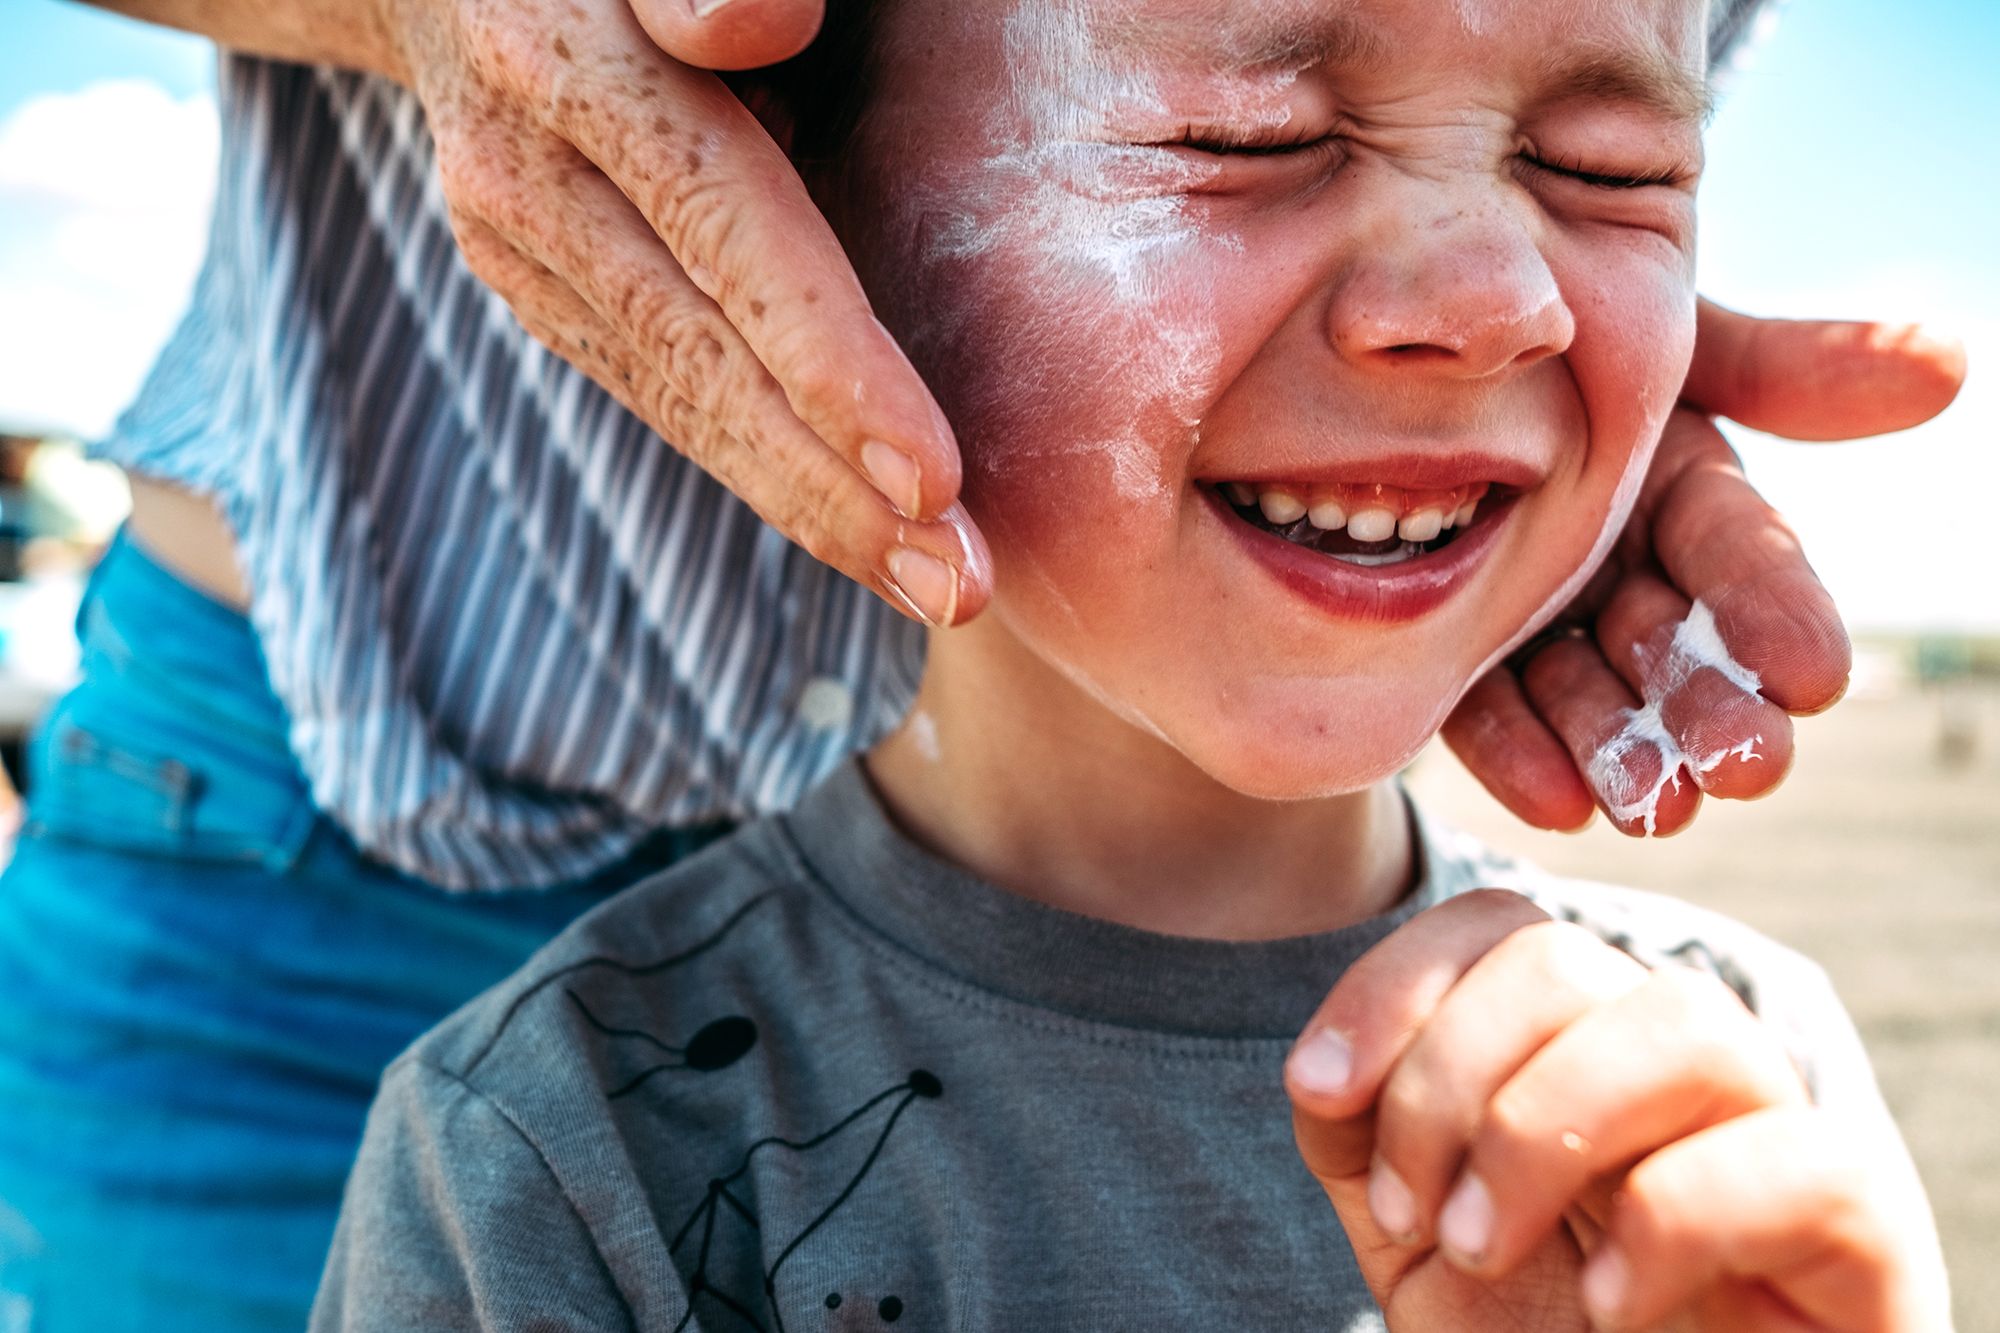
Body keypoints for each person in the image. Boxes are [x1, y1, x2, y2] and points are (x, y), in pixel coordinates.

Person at [0, 0, 1966, 1326]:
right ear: (790, 183)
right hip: (330, 795)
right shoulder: (518, 1139)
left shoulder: (1725, 1068)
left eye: (1612, 174)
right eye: (1240, 131)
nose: (1496, 296)